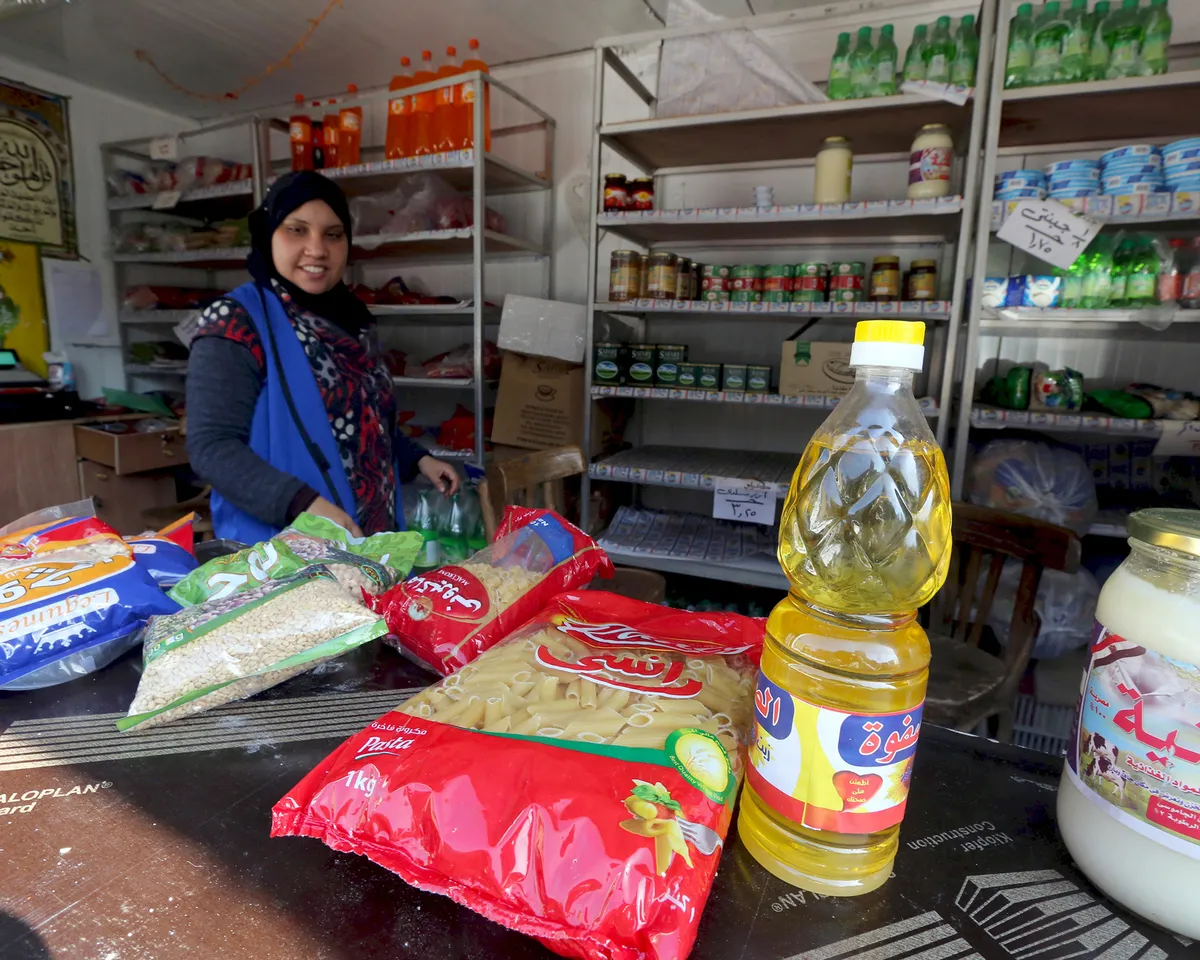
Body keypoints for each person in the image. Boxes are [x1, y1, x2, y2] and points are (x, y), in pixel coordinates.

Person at [186, 170, 459, 542]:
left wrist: (417, 458)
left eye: (333, 234)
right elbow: (212, 448)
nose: (317, 249)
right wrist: (302, 503)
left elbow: (364, 418)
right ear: (269, 234)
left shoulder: (352, 318)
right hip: (285, 550)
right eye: (297, 230)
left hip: (368, 540)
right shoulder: (236, 321)